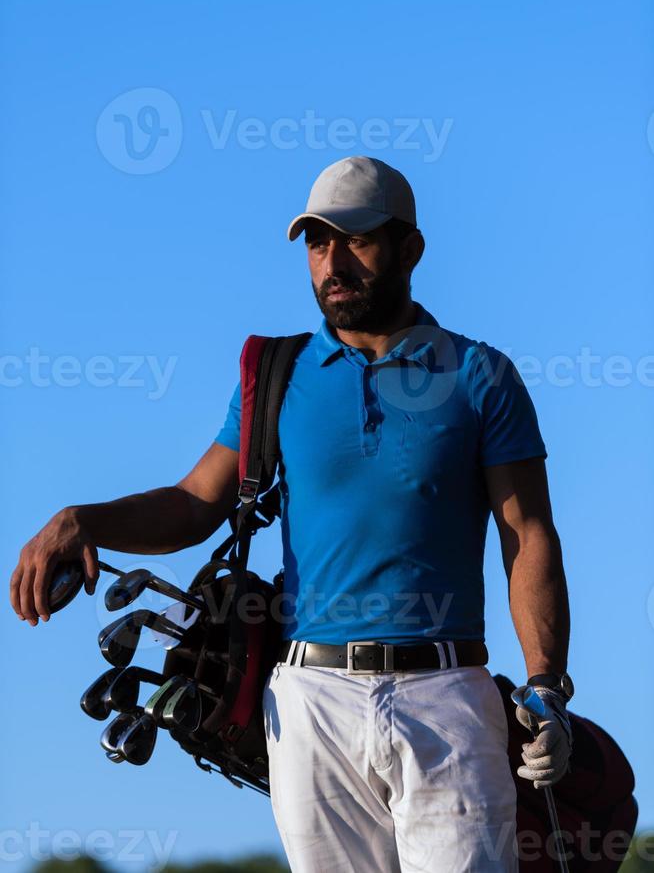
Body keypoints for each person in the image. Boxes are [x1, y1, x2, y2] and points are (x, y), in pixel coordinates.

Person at [10, 155, 573, 873]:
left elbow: (527, 534)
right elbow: (196, 503)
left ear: (410, 250)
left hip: (448, 698)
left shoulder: (478, 375)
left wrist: (546, 683)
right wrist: (81, 520)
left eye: (356, 240)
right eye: (316, 243)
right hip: (311, 700)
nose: (332, 263)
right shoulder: (276, 375)